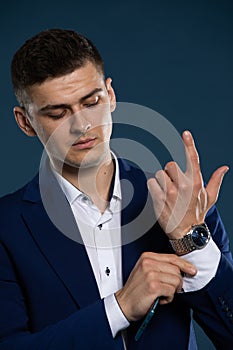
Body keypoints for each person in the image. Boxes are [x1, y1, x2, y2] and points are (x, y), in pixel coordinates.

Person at [0, 28, 232, 350]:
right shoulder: (6, 227)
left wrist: (191, 239)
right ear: (25, 122)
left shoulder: (181, 200)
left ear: (110, 96)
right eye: (58, 112)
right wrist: (118, 309)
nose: (81, 125)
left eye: (91, 101)